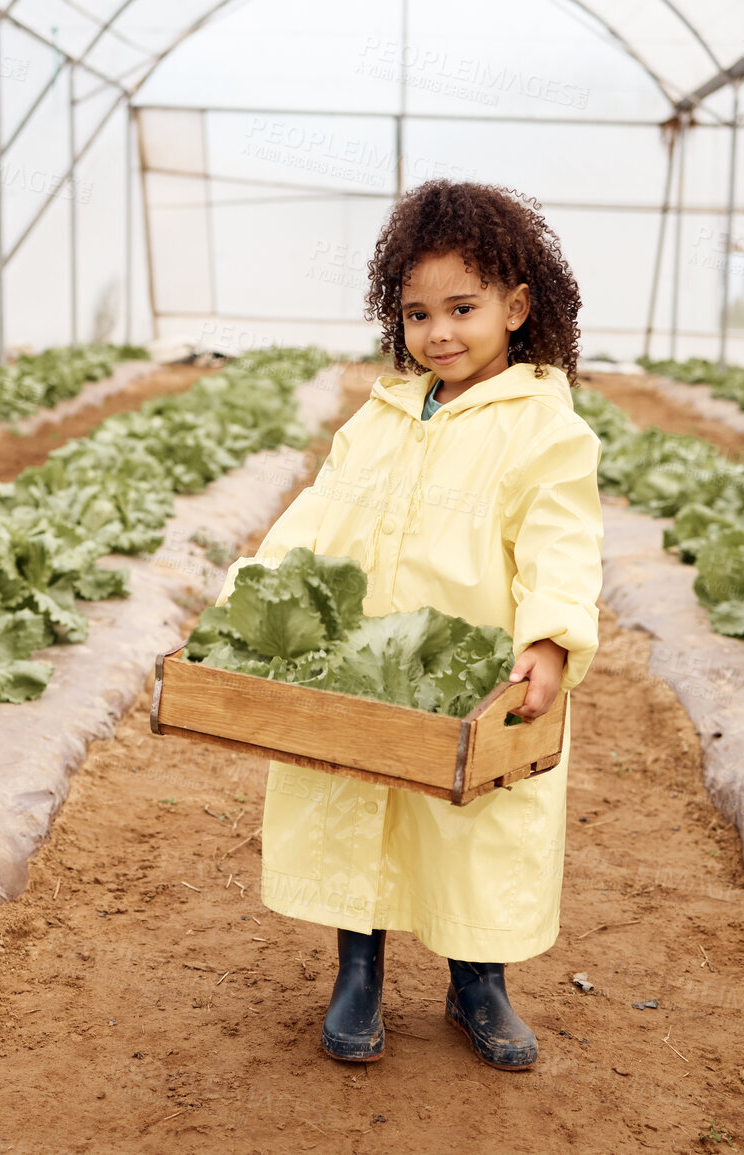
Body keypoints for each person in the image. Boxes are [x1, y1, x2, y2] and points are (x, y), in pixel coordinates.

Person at [222, 180, 603, 1070]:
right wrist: (256, 594)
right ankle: (358, 971)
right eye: (418, 312)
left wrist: (546, 638)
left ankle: (478, 981)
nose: (439, 333)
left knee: (474, 823)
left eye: (462, 309)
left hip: (475, 671)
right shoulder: (385, 413)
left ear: (516, 308)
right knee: (359, 803)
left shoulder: (543, 427)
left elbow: (561, 537)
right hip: (365, 663)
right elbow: (318, 513)